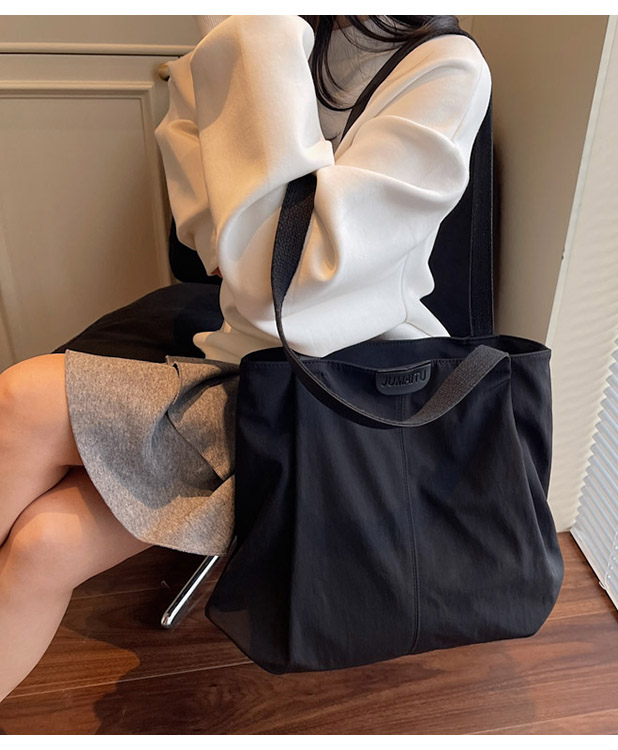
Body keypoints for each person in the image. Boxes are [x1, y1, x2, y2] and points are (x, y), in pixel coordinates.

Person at [0, 15, 491, 701]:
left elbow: (278, 289)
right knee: (44, 545)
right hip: (246, 366)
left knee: (24, 401)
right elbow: (206, 241)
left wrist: (260, 35)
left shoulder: (444, 68)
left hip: (340, 399)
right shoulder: (267, 29)